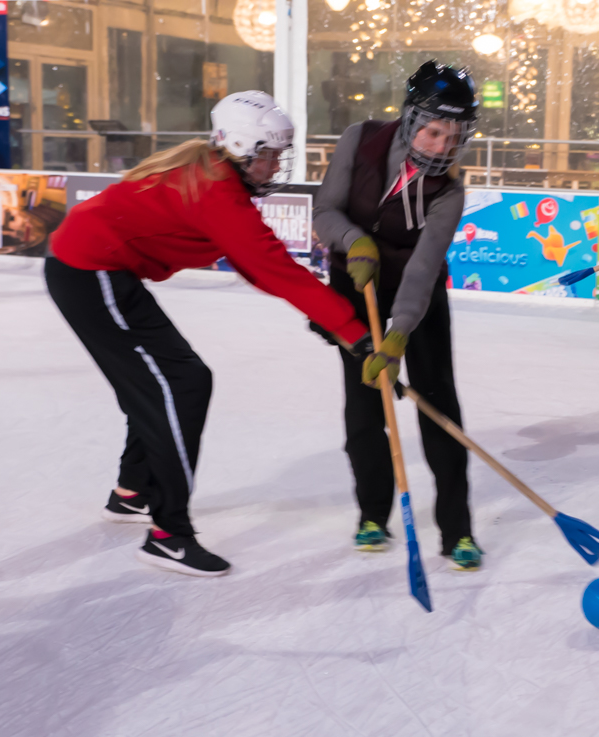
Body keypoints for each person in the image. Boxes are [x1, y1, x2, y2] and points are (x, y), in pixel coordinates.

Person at [45, 91, 371, 576]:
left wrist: (331, 319)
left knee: (163, 384)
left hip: (102, 269)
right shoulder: (217, 192)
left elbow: (258, 267)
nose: (275, 164)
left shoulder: (216, 178)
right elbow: (275, 268)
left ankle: (132, 492)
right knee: (179, 384)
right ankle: (168, 534)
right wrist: (354, 333)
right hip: (89, 272)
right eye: (269, 155)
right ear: (240, 148)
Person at [313, 61, 483, 570]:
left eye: (452, 136)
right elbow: (326, 210)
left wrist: (398, 336)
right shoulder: (359, 141)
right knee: (364, 406)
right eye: (433, 132)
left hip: (416, 291)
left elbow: (425, 267)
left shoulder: (449, 194)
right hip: (355, 279)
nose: (441, 146)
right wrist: (353, 241)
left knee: (438, 406)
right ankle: (372, 514)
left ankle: (457, 530)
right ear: (411, 120)